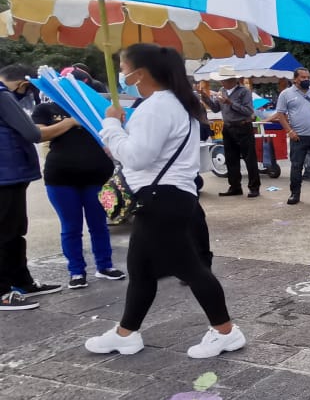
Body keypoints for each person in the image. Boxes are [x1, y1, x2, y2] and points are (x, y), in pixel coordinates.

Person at [85, 44, 245, 358]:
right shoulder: (174, 104)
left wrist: (111, 126)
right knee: (141, 270)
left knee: (191, 269)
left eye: (123, 66)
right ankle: (126, 333)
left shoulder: (157, 106)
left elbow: (138, 156)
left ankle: (226, 330)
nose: (121, 73)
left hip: (162, 200)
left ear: (138, 73)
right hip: (167, 197)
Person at [31, 73, 125, 289]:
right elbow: (40, 134)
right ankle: (76, 271)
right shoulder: (46, 109)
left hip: (97, 175)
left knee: (99, 224)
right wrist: (72, 121)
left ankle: (105, 266)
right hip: (61, 177)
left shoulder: (97, 107)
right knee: (71, 227)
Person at [0, 65, 78, 310]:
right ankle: (4, 291)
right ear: (23, 84)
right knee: (6, 233)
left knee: (13, 231)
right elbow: (33, 133)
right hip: (6, 174)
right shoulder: (3, 96)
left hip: (9, 175)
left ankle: (21, 282)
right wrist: (72, 122)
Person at [269, 68, 310, 206]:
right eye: (303, 77)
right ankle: (295, 194)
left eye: (308, 77)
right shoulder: (286, 94)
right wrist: (289, 131)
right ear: (295, 79)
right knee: (296, 167)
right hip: (298, 137)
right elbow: (280, 114)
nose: (306, 80)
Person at [199, 72, 260, 198]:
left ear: (232, 80)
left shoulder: (244, 92)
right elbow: (216, 108)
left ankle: (254, 187)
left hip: (243, 126)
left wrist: (230, 103)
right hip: (228, 127)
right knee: (231, 158)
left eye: (223, 80)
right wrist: (206, 98)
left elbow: (248, 111)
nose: (222, 83)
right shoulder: (222, 90)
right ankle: (235, 186)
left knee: (249, 158)